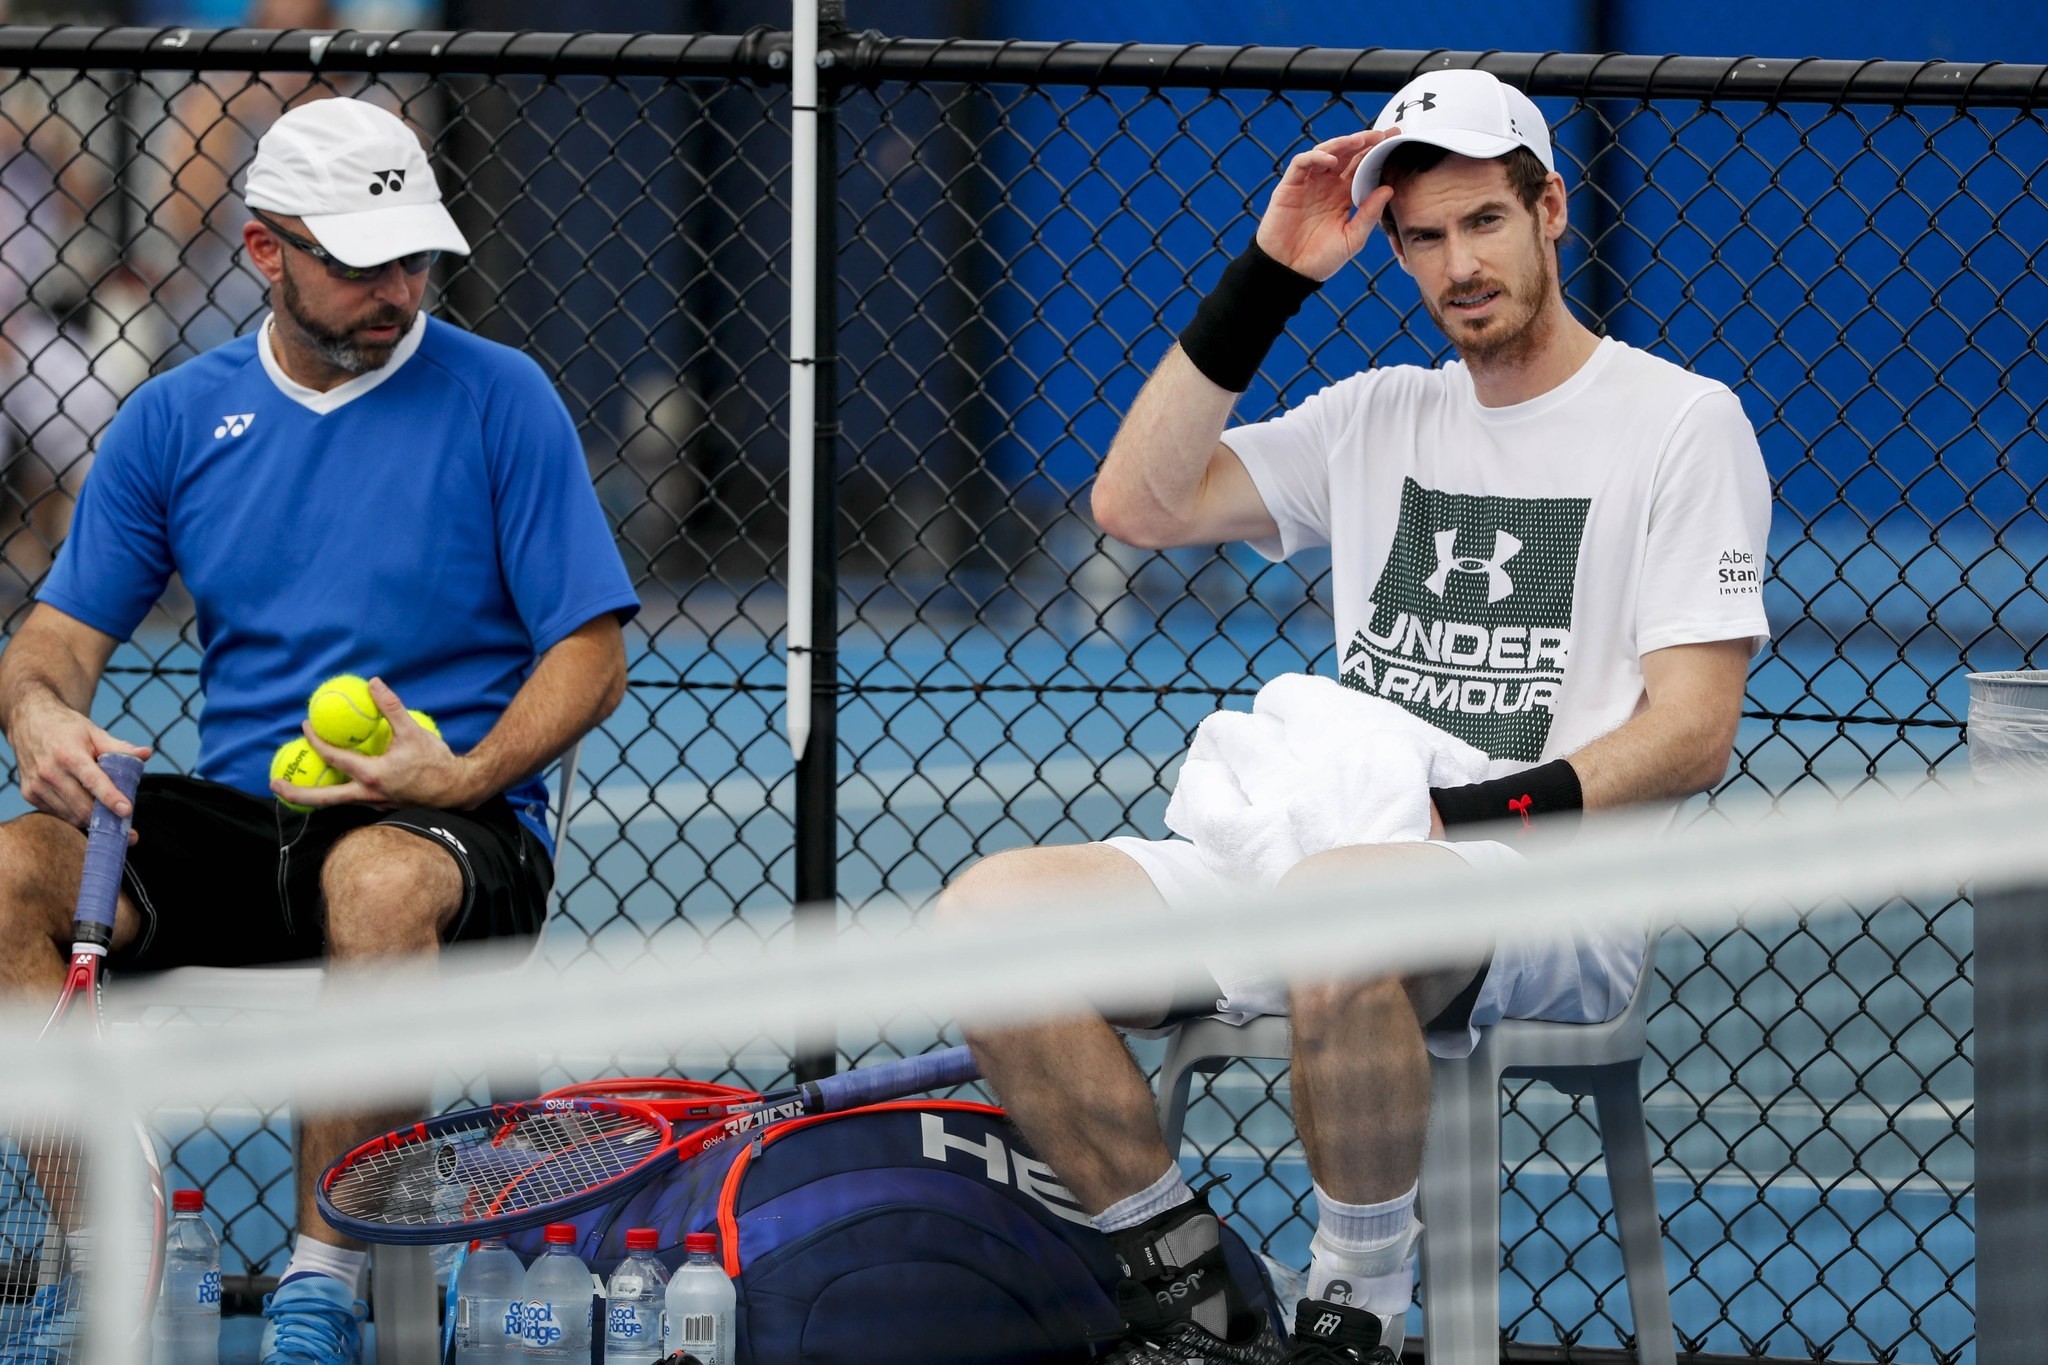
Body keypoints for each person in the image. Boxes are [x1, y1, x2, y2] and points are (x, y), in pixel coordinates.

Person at [938, 70, 1771, 1365]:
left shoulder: (1679, 422)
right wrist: (1272, 270)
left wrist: (1469, 815)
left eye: (1485, 222)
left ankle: (1356, 1311)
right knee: (986, 919)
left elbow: (1694, 731)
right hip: (1337, 858)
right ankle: (1192, 1287)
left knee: (1343, 901)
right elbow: (1137, 506)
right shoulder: (1377, 414)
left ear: (1551, 210)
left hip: (1540, 883)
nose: (1459, 265)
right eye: (1424, 238)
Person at [0, 98, 638, 1364]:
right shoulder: (176, 419)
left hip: (451, 826)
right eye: (359, 262)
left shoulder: (503, 399)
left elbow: (591, 653)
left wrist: (463, 770)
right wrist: (41, 717)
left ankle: (320, 1283)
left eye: (414, 258)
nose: (396, 288)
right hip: (246, 826)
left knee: (379, 876)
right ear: (264, 252)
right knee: (10, 872)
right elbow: (55, 640)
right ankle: (101, 1248)